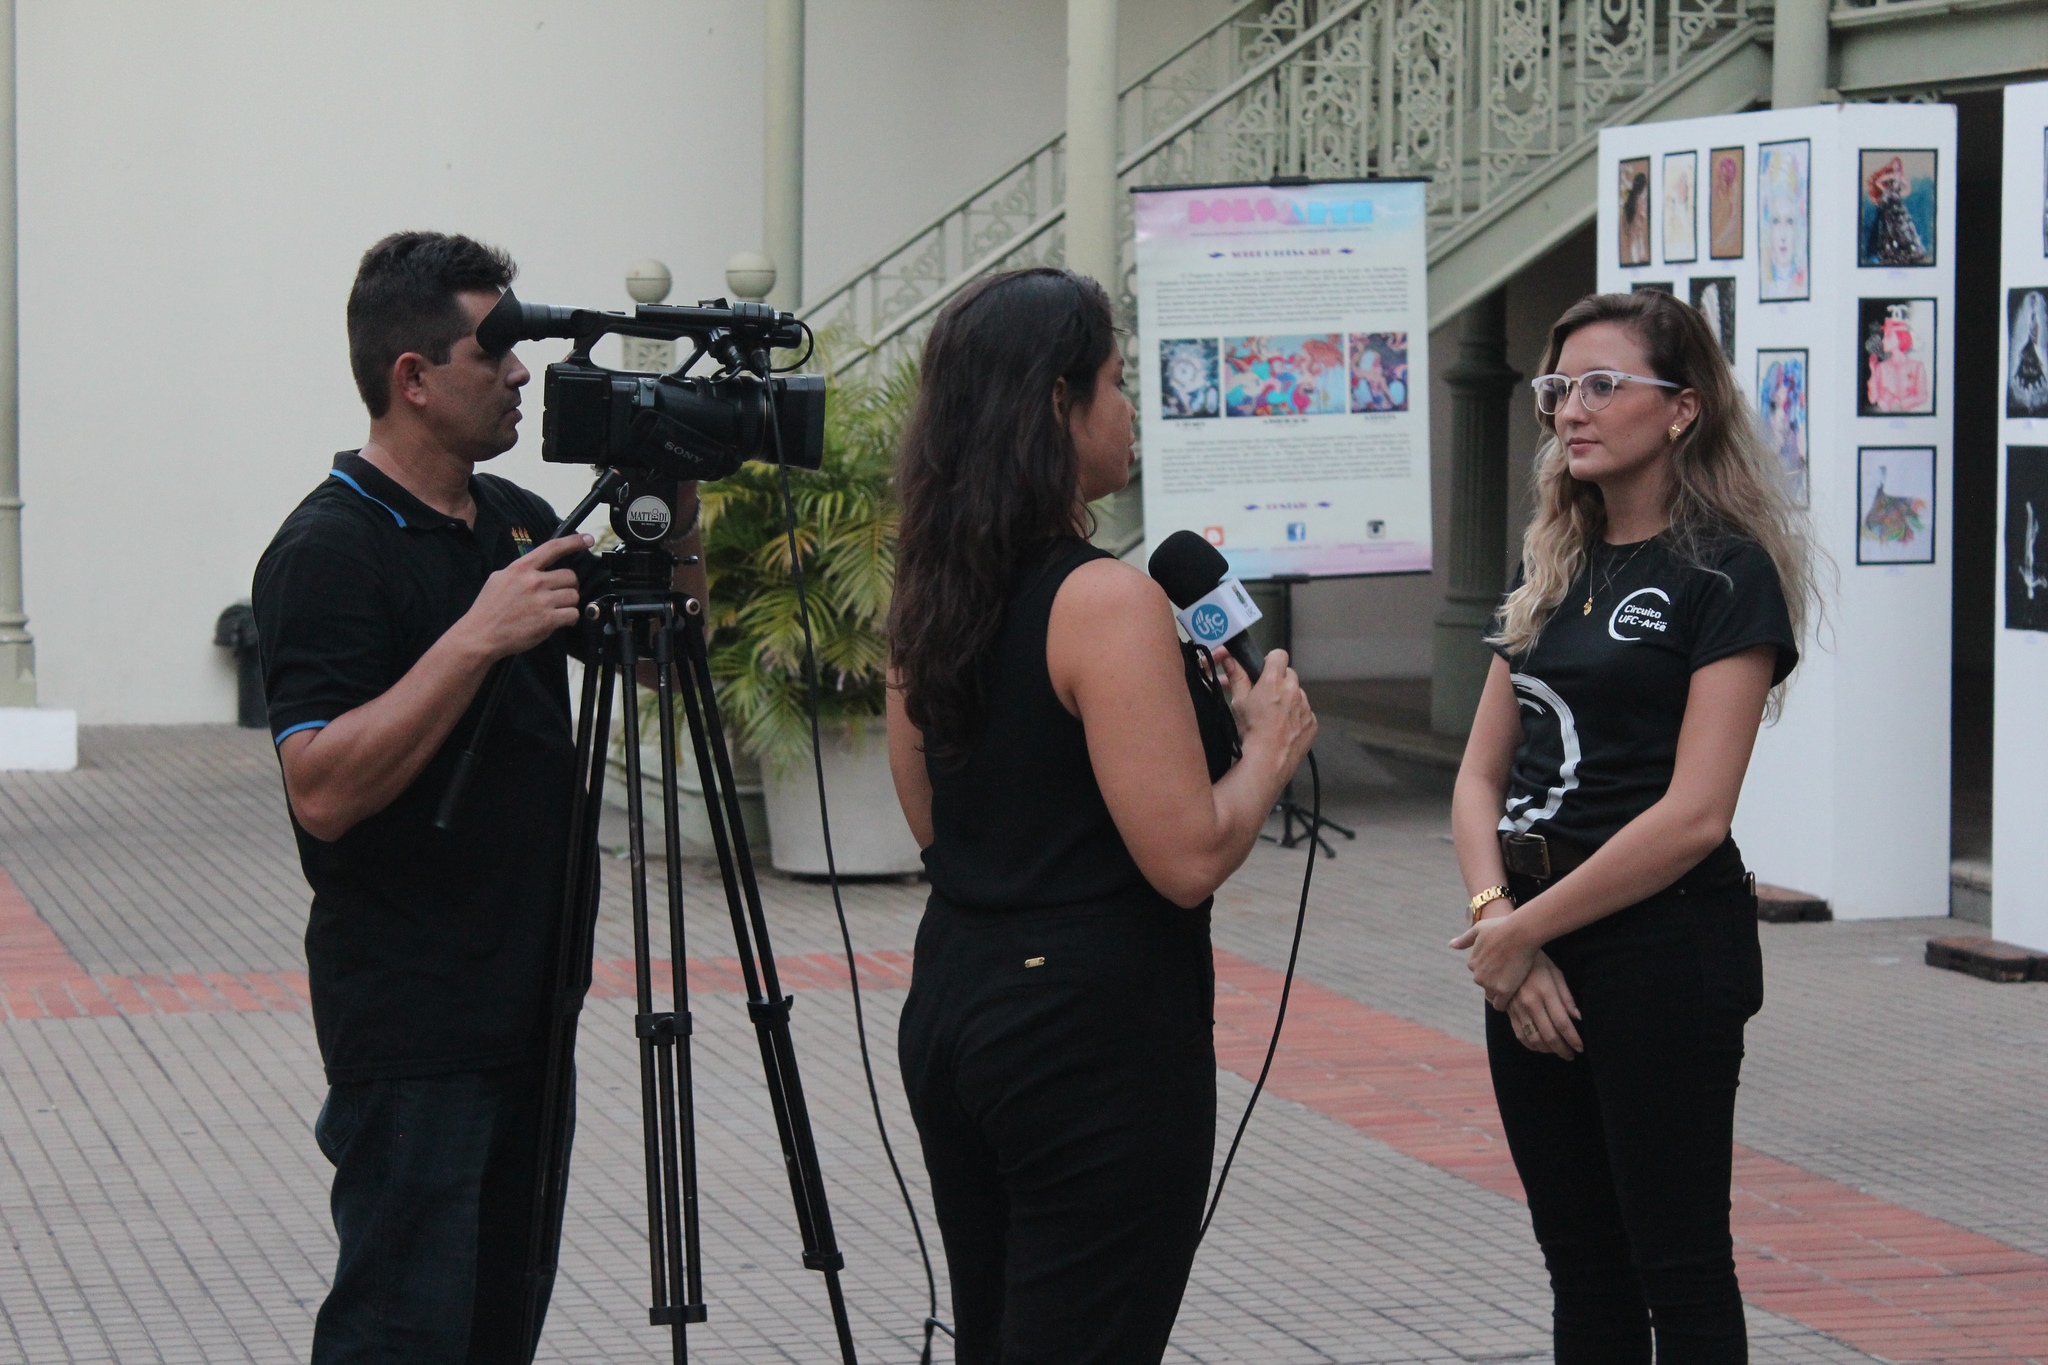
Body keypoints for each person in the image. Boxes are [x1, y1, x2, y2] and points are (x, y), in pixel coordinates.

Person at [253, 232, 703, 1363]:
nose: (519, 372)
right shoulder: (327, 547)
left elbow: (660, 659)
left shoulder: (511, 516)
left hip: (532, 995)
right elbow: (321, 789)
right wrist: (475, 637)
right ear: (412, 376)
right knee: (404, 1327)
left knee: (501, 1322)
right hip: (416, 1019)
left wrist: (674, 504)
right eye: (493, 350)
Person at [885, 268, 1317, 1365]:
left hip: (957, 998)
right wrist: (1266, 750)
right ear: (1055, 403)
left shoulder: (929, 586)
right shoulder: (1103, 598)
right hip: (1088, 1030)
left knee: (999, 1328)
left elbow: (930, 820)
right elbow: (1186, 855)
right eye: (1117, 384)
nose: (1130, 411)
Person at [1449, 289, 1813, 1365]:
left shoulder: (1724, 574)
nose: (1571, 409)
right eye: (1558, 387)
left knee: (1679, 1266)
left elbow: (1695, 815)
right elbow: (1477, 777)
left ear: (1681, 409)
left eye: (1602, 385)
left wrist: (1521, 935)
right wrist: (1499, 922)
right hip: (1526, 943)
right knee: (1582, 1269)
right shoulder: (1548, 564)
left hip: (1661, 947)